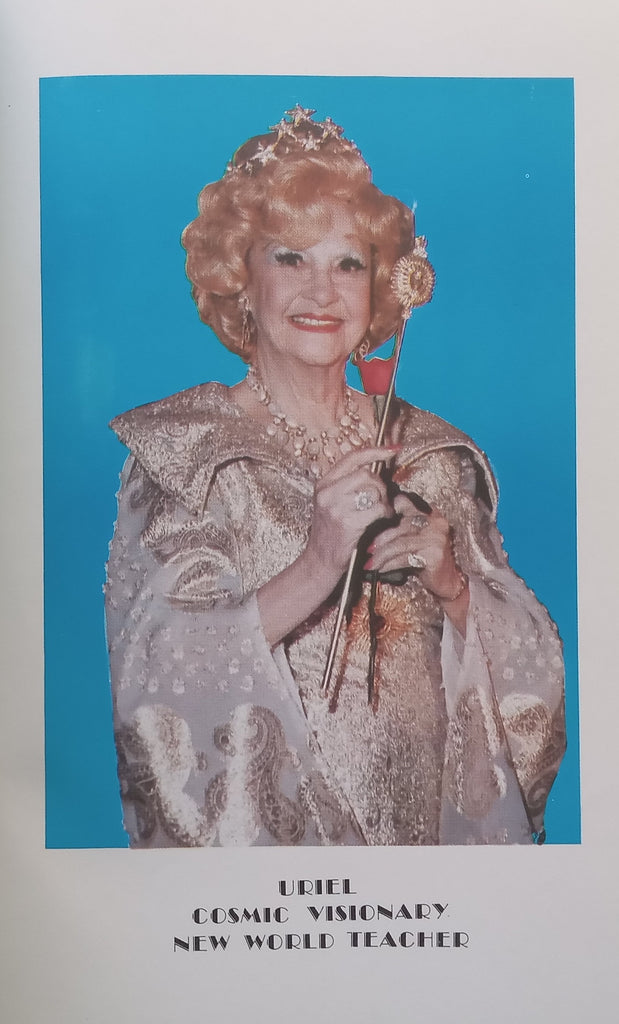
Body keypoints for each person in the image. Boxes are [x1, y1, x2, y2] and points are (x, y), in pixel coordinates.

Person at [105, 107, 566, 847]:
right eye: (290, 258)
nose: (322, 293)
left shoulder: (433, 456)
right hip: (275, 870)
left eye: (348, 264)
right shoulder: (187, 453)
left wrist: (454, 586)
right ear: (240, 280)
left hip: (423, 851)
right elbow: (158, 679)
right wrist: (319, 561)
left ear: (379, 288)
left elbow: (532, 679)